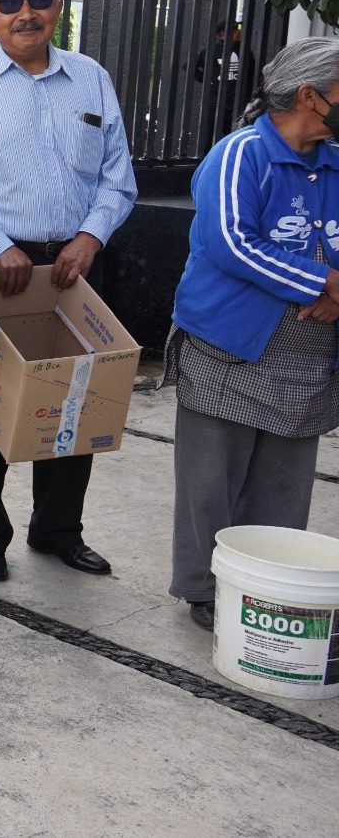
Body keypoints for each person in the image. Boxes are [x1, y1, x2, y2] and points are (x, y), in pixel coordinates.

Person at [0, 0, 138, 583]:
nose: (26, 13)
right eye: (11, 2)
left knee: (77, 398)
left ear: (57, 7)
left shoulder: (92, 79)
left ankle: (58, 530)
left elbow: (117, 178)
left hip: (77, 266)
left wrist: (90, 237)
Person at [165, 38, 339, 631]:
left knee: (284, 484)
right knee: (212, 480)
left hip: (308, 358)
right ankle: (206, 590)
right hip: (228, 348)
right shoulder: (242, 154)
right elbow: (232, 243)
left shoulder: (335, 159)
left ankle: (264, 582)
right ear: (310, 95)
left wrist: (332, 291)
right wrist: (323, 282)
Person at [194, 21, 258, 144]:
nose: (238, 32)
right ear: (223, 33)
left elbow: (252, 74)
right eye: (234, 29)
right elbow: (190, 67)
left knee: (236, 136)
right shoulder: (211, 50)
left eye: (238, 29)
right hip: (215, 102)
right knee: (209, 137)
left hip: (238, 102)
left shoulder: (245, 51)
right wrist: (208, 81)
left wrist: (250, 97)